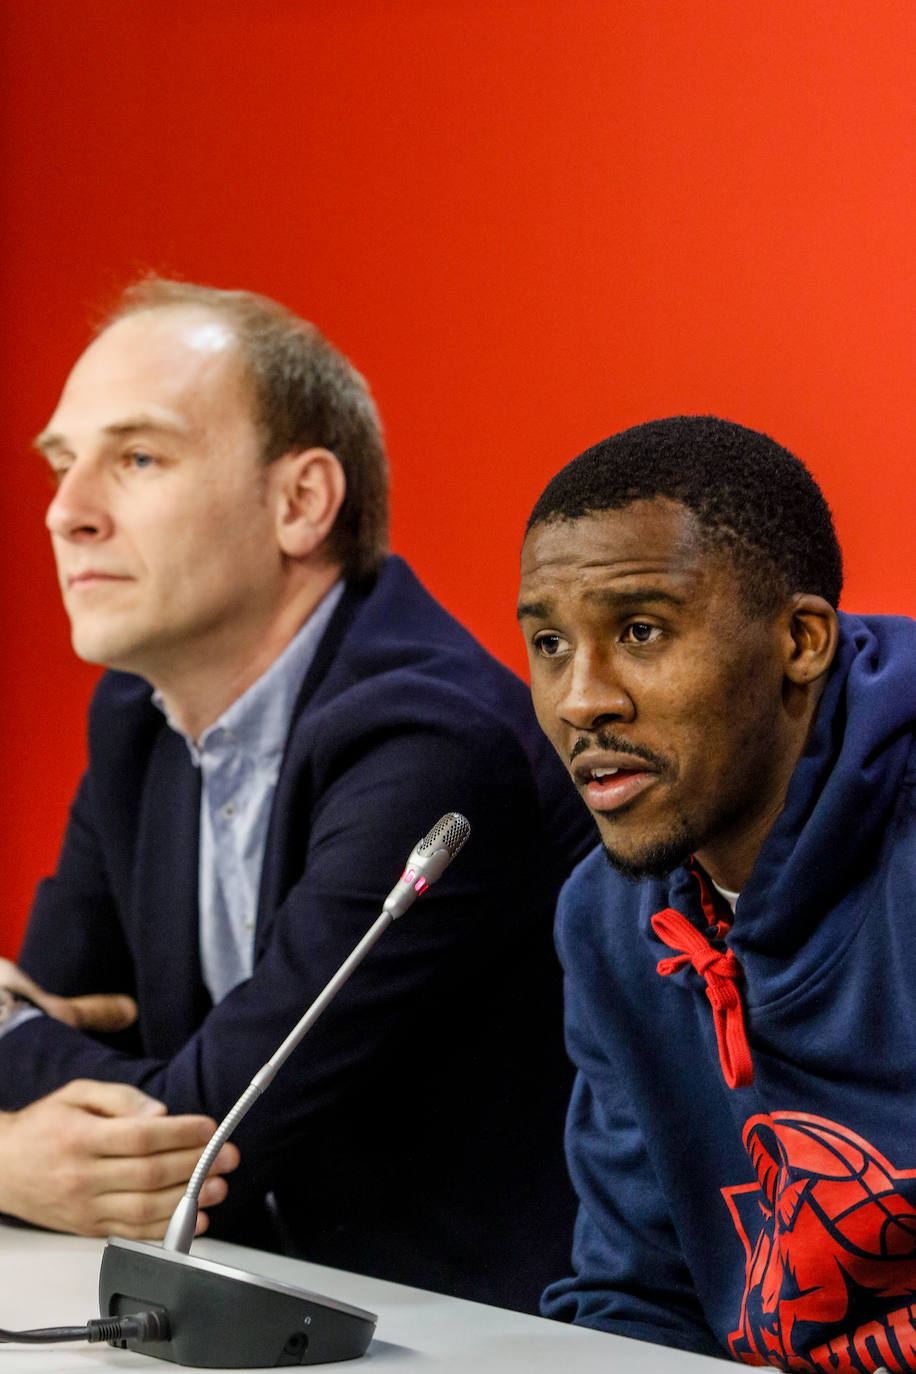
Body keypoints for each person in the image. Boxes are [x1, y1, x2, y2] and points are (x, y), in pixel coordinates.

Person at [0, 279, 593, 1314]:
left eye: (136, 458)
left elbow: (202, 1137)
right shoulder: (138, 720)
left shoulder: (433, 740)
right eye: (62, 464)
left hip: (469, 1332)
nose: (66, 512)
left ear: (301, 503)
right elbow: (67, 1034)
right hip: (252, 1301)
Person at [516, 415, 916, 1369]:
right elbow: (634, 1293)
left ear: (801, 640)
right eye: (550, 644)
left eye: (641, 632)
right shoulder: (611, 918)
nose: (582, 700)